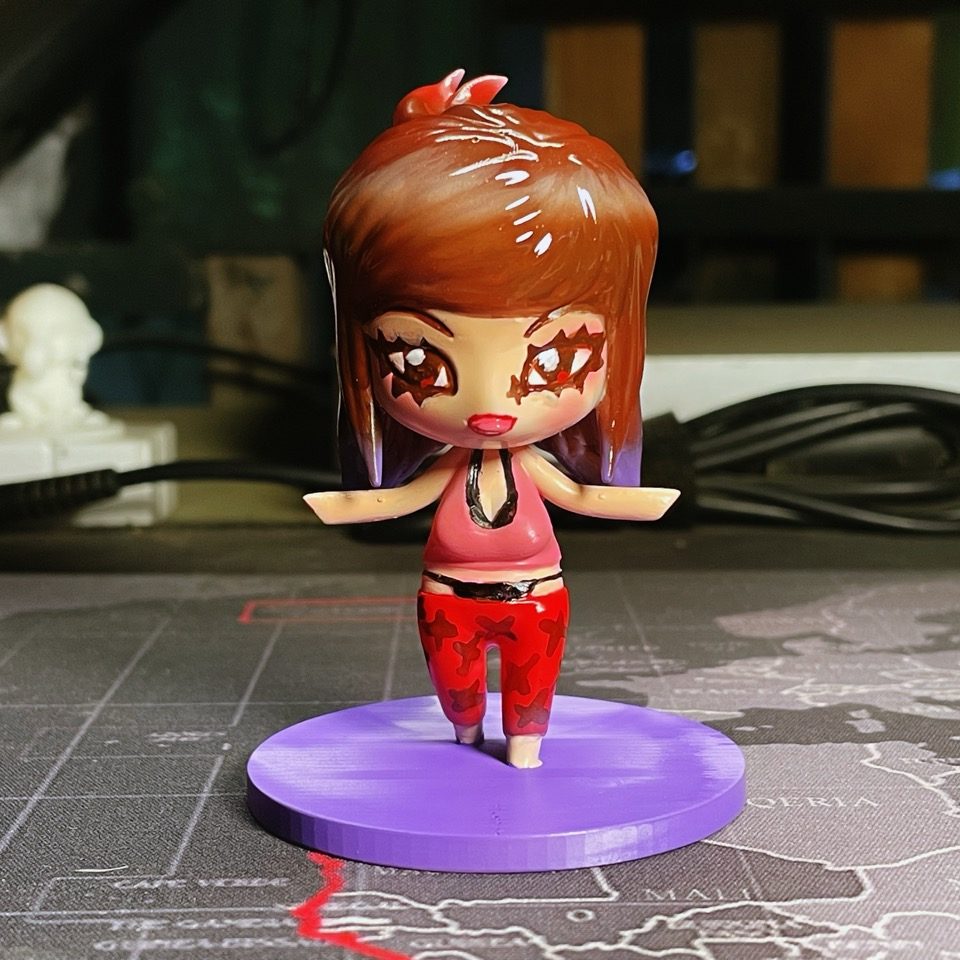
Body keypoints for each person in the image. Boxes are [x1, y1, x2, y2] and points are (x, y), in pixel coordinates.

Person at [306, 70, 678, 768]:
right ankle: (466, 731)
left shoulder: (532, 465)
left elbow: (579, 494)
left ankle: (526, 747)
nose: (489, 405)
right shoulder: (451, 465)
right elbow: (402, 498)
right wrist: (347, 504)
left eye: (553, 359)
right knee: (457, 685)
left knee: (533, 682)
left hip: (537, 597)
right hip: (448, 597)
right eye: (416, 356)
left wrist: (638, 502)